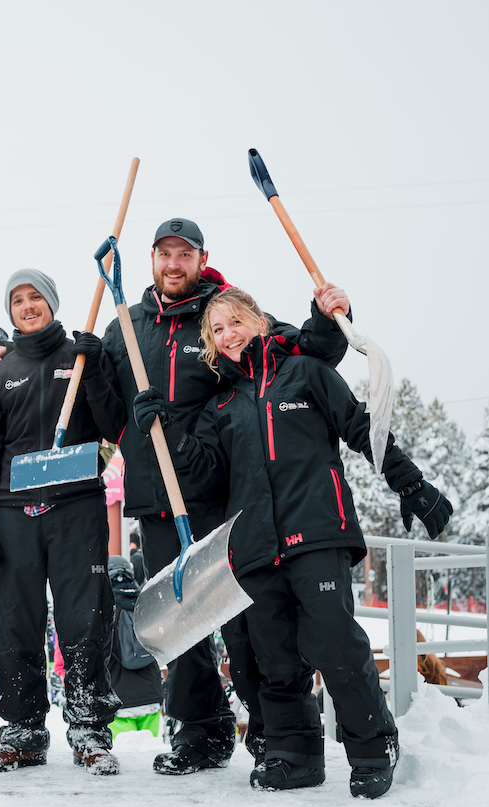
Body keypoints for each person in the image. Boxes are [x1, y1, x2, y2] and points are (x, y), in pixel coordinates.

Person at [75, 217, 350, 776]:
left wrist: (325, 324)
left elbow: (290, 351)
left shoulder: (224, 314)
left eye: (185, 254)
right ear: (151, 259)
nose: (174, 264)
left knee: (249, 621)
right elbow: (110, 418)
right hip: (158, 495)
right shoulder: (126, 325)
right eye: (164, 254)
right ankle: (201, 734)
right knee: (183, 621)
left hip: (227, 493)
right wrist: (90, 366)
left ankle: (276, 731)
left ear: (202, 258)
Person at [152, 287, 452, 798]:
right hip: (253, 547)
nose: (228, 335)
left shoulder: (305, 371)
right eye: (216, 330)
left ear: (259, 320)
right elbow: (203, 475)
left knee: (334, 640)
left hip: (315, 530)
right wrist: (167, 430)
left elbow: (361, 428)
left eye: (234, 321)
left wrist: (411, 483)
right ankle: (296, 755)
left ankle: (373, 747)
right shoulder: (220, 404)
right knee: (275, 660)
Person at [0, 268, 126, 775]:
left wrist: (96, 368)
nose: (28, 306)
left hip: (76, 507)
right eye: (18, 300)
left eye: (36, 297)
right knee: (14, 623)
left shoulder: (77, 359)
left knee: (85, 620)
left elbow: (113, 425)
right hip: (14, 512)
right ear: (9, 311)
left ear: (52, 304)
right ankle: (23, 734)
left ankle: (89, 731)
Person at [105, 555, 164, 742]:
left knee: (127, 759)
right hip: (151, 696)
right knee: (149, 754)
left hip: (119, 698)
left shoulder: (104, 610)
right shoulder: (146, 604)